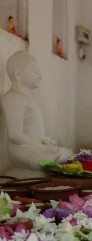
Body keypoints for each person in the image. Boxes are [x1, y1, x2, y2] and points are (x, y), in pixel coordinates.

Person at [0, 50, 73, 178]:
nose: (40, 76)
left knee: (66, 153)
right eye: (35, 71)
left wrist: (45, 144)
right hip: (19, 150)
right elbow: (15, 134)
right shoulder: (13, 98)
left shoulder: (28, 98)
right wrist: (41, 148)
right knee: (57, 157)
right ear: (18, 74)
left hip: (32, 147)